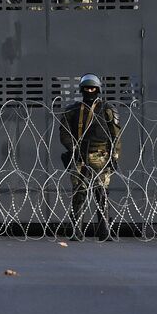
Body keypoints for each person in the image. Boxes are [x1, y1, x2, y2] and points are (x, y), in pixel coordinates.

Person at [59, 74, 121, 240]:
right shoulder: (72, 110)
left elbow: (116, 136)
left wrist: (114, 157)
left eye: (93, 88)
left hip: (101, 156)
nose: (90, 91)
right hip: (80, 156)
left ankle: (104, 231)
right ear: (82, 90)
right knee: (79, 193)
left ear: (98, 89)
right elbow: (64, 133)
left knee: (102, 194)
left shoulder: (107, 109)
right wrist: (73, 149)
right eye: (87, 88)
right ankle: (76, 231)